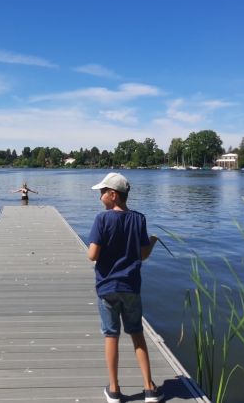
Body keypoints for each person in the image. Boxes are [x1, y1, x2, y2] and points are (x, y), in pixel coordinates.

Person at [88, 172, 163, 403]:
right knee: (137, 334)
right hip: (131, 286)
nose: (100, 197)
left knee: (111, 336)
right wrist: (152, 240)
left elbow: (92, 255)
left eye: (102, 193)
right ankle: (149, 388)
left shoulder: (102, 219)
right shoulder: (139, 219)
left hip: (107, 287)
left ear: (113, 195)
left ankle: (114, 389)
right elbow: (142, 255)